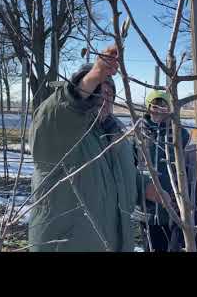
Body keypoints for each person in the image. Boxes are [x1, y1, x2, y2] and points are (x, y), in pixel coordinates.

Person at [28, 46, 170, 252]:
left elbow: (118, 177)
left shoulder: (115, 137)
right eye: (97, 91)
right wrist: (93, 77)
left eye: (110, 93)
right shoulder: (61, 132)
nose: (105, 98)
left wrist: (145, 187)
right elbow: (61, 111)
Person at [139, 89, 195, 252]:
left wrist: (178, 193)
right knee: (149, 246)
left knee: (169, 246)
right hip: (146, 208)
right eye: (154, 104)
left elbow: (188, 167)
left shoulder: (180, 134)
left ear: (169, 108)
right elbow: (133, 163)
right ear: (148, 107)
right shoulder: (139, 133)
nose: (158, 108)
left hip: (171, 207)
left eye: (163, 104)